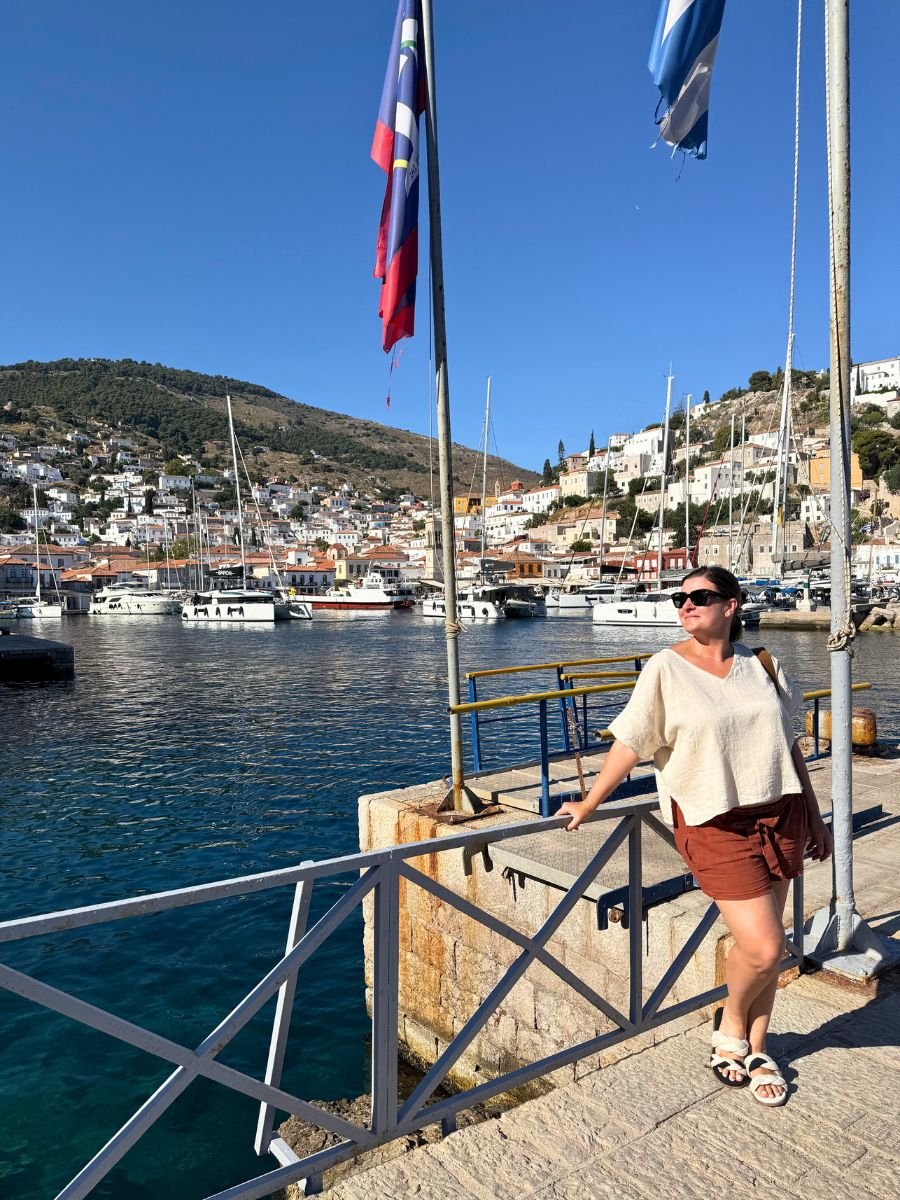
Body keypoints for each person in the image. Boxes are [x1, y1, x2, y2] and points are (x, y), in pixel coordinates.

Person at [559, 565, 832, 1107]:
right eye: (678, 598)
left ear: (731, 605)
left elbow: (790, 744)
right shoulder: (665, 668)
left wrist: (816, 815)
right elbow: (633, 741)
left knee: (764, 945)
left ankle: (755, 1048)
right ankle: (730, 1027)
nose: (684, 605)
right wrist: (590, 801)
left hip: (780, 813)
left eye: (699, 596)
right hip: (712, 820)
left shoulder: (762, 664)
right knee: (766, 944)